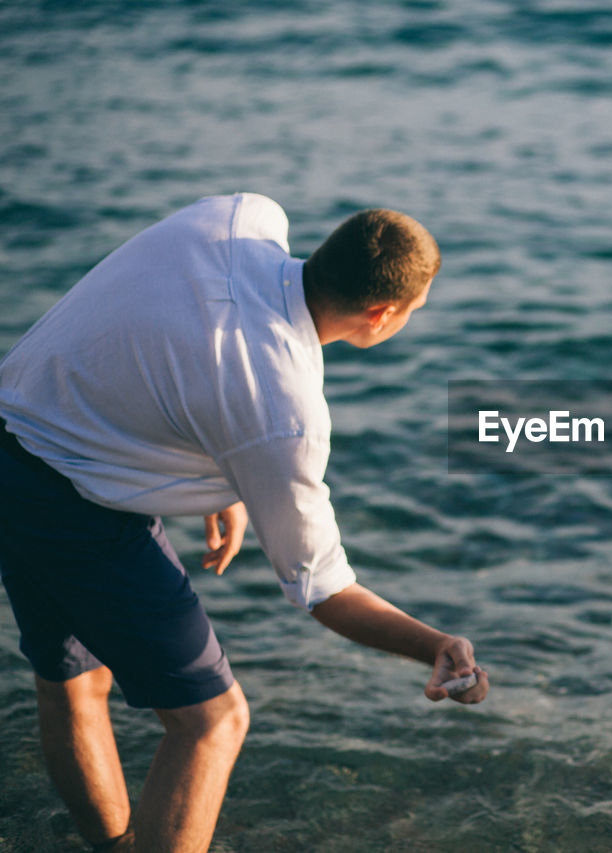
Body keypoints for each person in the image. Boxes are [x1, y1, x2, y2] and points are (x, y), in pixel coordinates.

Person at [0, 193, 489, 853]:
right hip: (74, 502)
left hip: (16, 432)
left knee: (76, 680)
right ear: (381, 314)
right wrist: (431, 643)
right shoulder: (285, 411)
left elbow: (177, 335)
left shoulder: (241, 216)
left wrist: (221, 480)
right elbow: (323, 590)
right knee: (212, 722)